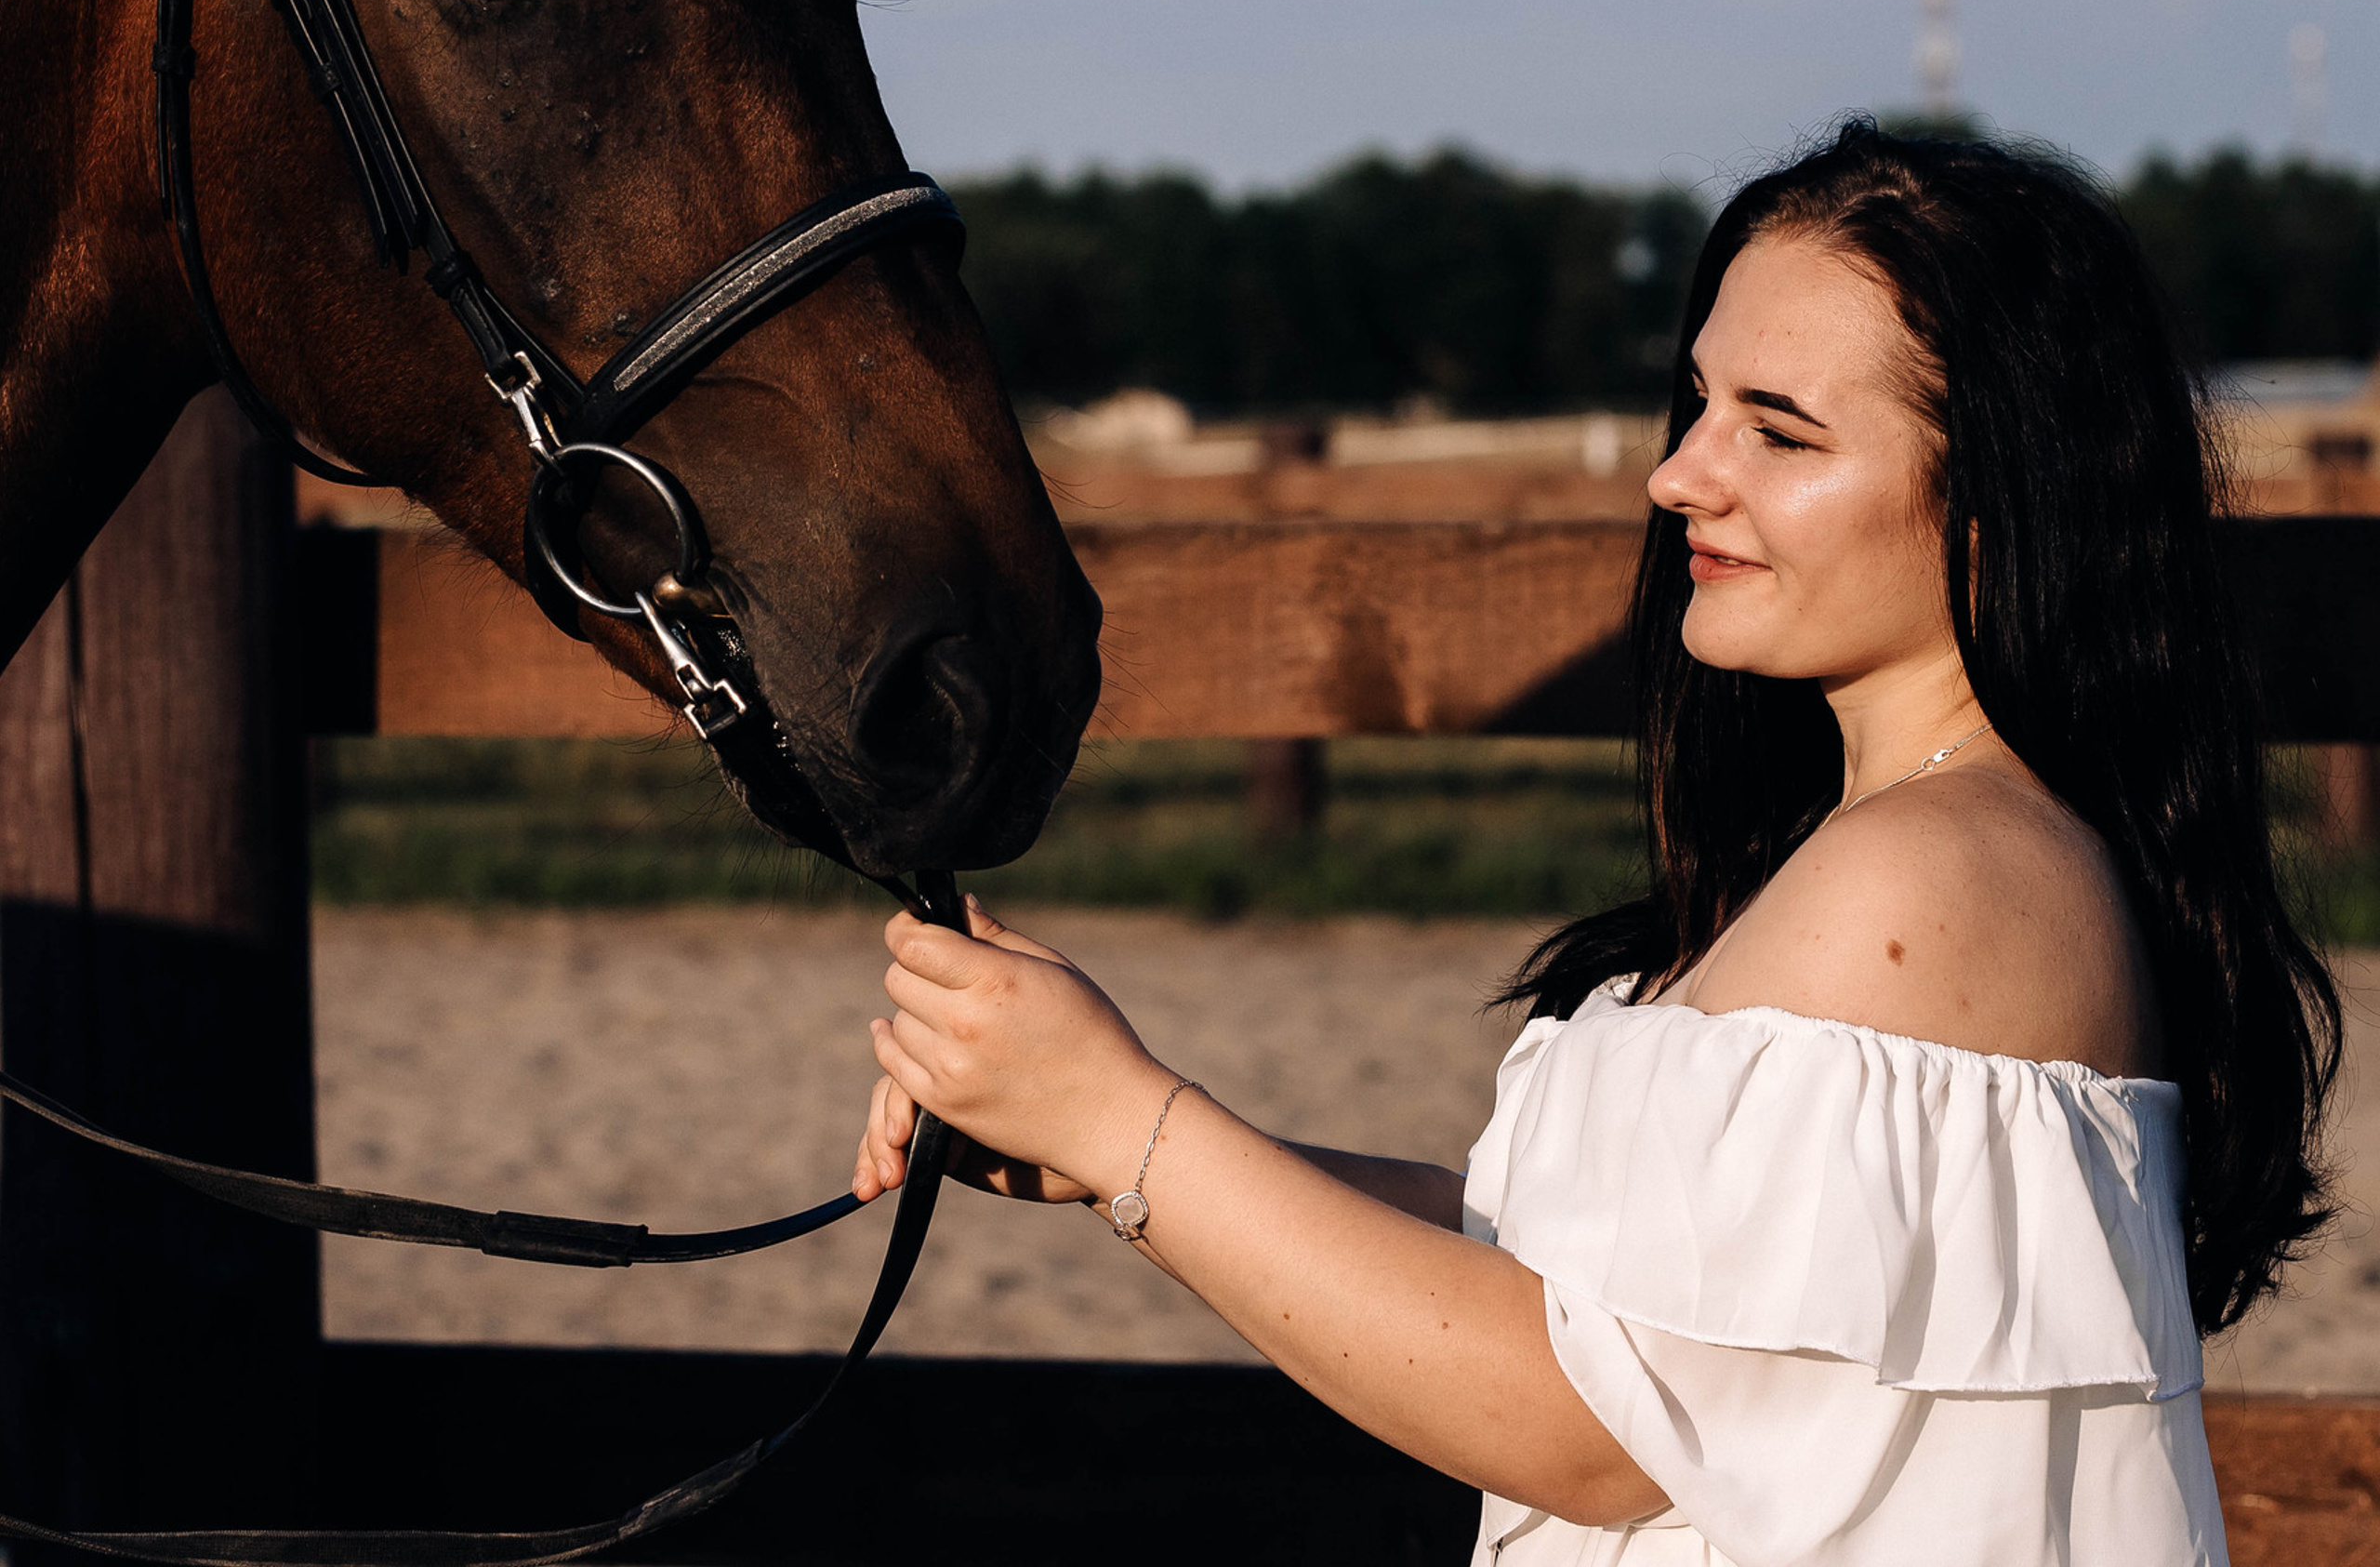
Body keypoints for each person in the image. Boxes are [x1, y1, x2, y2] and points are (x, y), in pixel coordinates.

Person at [850, 119, 2338, 1565]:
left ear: (1996, 502)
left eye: (1780, 430)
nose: (1681, 473)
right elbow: (1585, 1270)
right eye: (1698, 404)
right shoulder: (1922, 845)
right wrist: (1094, 1122)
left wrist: (1129, 1125)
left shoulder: (1929, 878)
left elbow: (1600, 1427)